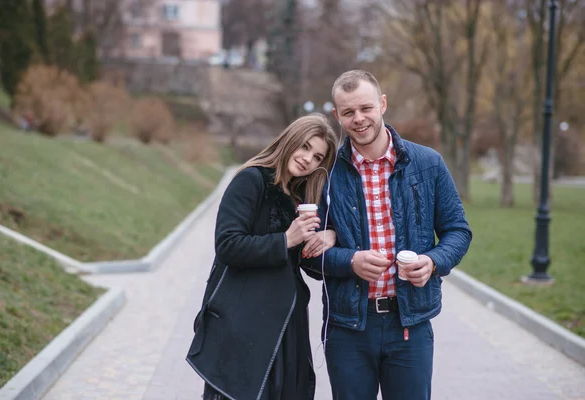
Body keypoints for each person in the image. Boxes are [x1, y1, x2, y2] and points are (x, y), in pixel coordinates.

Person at [306, 70, 472, 399]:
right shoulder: (324, 174)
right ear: (337, 116)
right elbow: (307, 254)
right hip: (348, 327)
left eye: (366, 108)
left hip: (410, 322)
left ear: (382, 104)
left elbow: (457, 231)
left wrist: (433, 261)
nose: (359, 119)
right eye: (349, 112)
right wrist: (349, 260)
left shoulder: (428, 163)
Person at [187, 113, 338, 400]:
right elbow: (228, 245)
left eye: (318, 157)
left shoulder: (300, 196)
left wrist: (329, 237)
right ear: (289, 140)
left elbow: (306, 262)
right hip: (244, 326)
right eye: (304, 146)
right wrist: (285, 240)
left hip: (285, 327)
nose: (308, 159)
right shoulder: (251, 180)